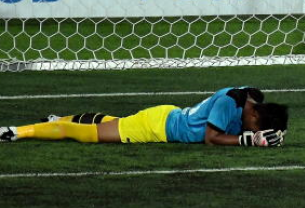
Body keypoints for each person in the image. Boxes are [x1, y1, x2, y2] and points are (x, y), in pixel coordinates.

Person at [0, 86, 288, 147]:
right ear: (253, 113)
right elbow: (211, 139)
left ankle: (58, 118)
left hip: (164, 117)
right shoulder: (229, 103)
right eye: (255, 126)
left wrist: (274, 133)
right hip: (157, 127)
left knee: (109, 122)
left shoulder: (252, 99)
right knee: (88, 135)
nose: (253, 130)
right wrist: (248, 140)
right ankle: (17, 131)